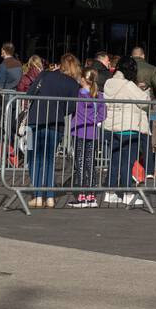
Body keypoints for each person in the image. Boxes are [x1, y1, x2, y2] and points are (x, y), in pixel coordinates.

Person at [26, 53, 85, 208]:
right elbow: (70, 108)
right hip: (56, 124)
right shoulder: (73, 84)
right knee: (49, 160)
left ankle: (38, 195)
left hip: (34, 121)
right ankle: (50, 196)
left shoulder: (45, 74)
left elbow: (30, 93)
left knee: (34, 158)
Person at [101, 57, 151, 205]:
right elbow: (145, 102)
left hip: (112, 127)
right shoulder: (129, 85)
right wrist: (144, 90)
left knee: (115, 160)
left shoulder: (109, 83)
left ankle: (110, 192)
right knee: (128, 161)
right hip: (128, 127)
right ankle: (127, 192)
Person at [67, 68, 107, 207]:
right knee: (90, 163)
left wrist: (87, 120)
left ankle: (83, 196)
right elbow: (103, 114)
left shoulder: (79, 94)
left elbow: (76, 110)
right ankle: (91, 196)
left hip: (79, 131)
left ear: (83, 79)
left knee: (81, 162)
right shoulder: (99, 95)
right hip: (92, 132)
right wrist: (94, 120)